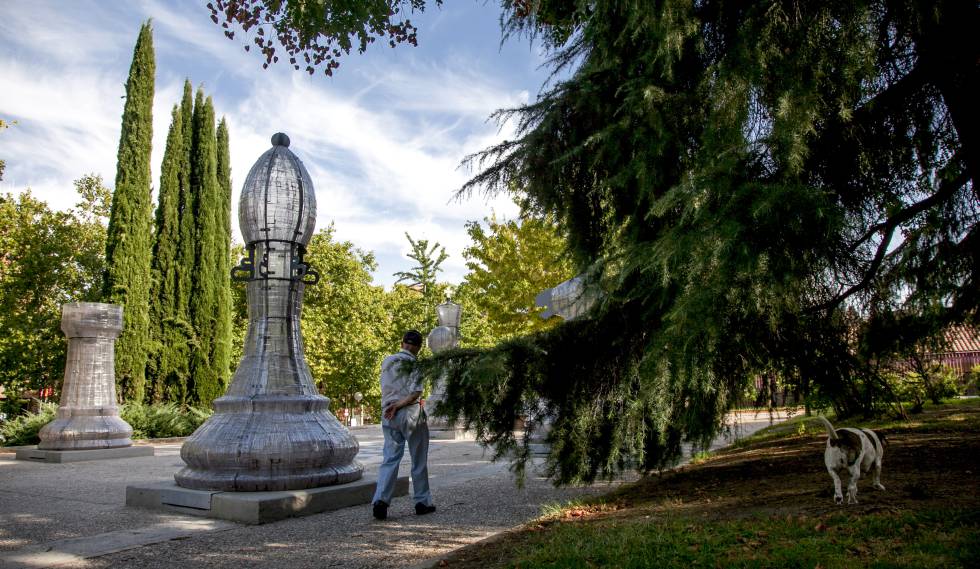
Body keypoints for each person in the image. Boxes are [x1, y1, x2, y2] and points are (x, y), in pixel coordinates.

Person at [371, 330, 435, 520]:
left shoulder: (387, 360)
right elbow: (416, 392)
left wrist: (392, 406)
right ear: (419, 347)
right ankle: (422, 502)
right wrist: (399, 405)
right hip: (410, 413)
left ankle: (381, 500)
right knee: (418, 459)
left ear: (402, 343)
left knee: (390, 458)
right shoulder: (415, 364)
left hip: (388, 414)